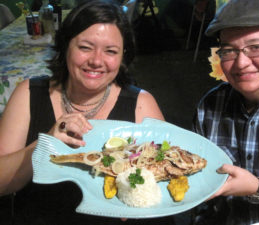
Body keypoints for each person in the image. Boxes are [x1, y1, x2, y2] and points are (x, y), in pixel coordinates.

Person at [0, 1, 175, 224]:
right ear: (65, 47)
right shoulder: (28, 94)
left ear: (123, 57)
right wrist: (44, 144)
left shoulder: (142, 104)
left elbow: (163, 186)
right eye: (85, 47)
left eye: (111, 51)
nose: (96, 61)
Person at [193, 0, 259, 224]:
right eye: (229, 51)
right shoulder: (209, 107)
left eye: (255, 47)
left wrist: (258, 188)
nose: (241, 63)